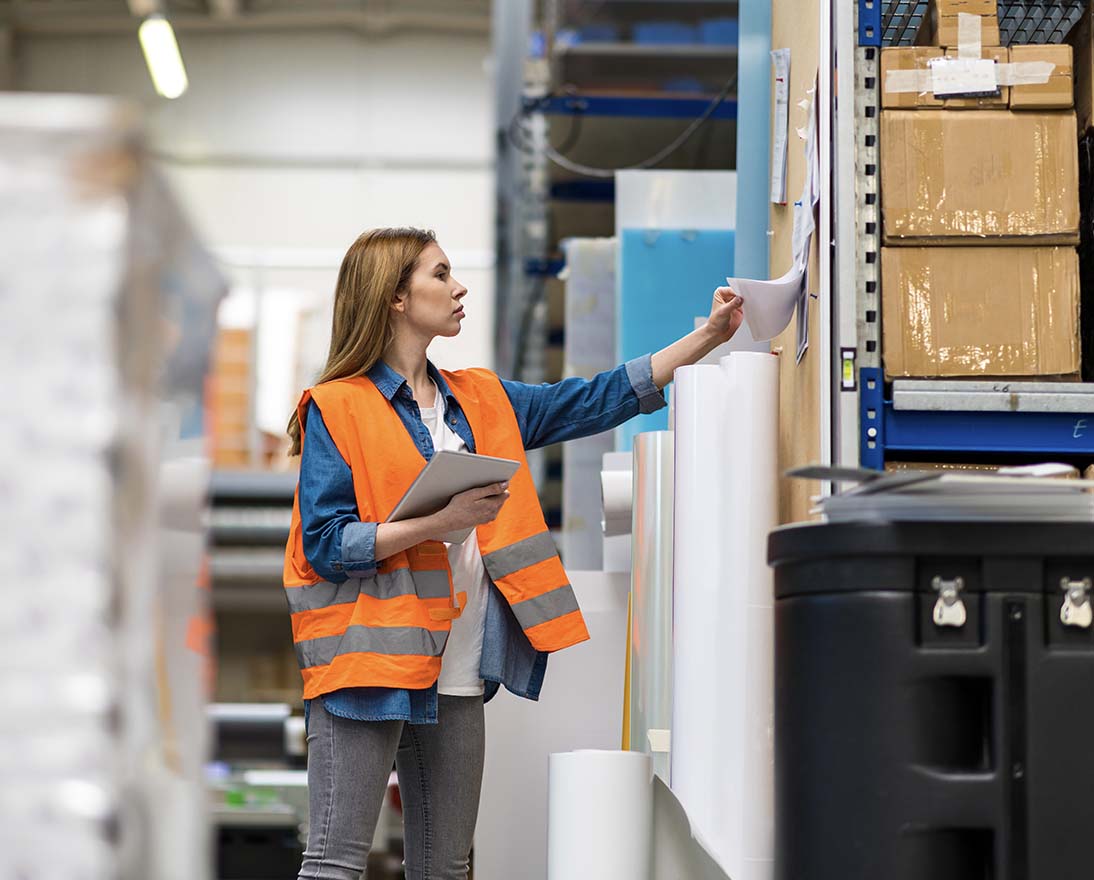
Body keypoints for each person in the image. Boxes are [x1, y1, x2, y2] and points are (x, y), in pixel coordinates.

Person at [284, 227, 744, 880]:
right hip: (365, 667)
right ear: (394, 296)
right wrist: (437, 523)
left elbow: (589, 400)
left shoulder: (481, 397)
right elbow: (326, 546)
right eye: (440, 274)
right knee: (335, 864)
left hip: (459, 667)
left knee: (445, 868)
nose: (459, 286)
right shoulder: (338, 407)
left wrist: (707, 338)